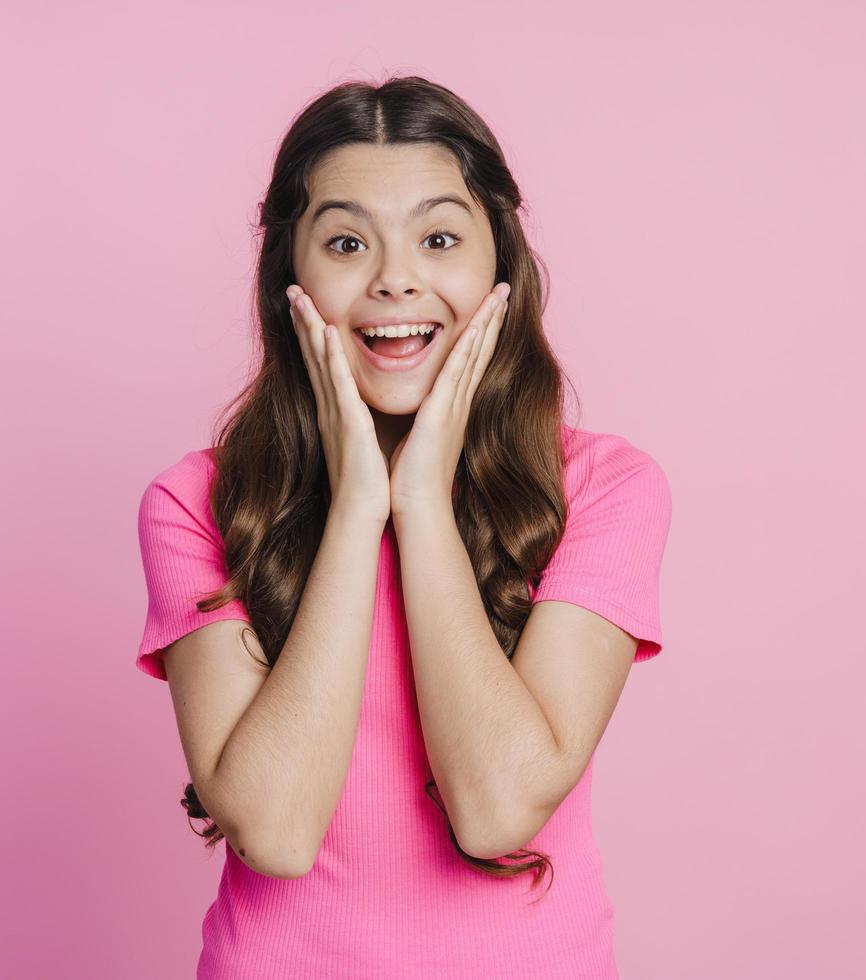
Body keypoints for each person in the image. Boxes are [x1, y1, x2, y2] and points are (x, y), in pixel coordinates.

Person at [134, 74, 673, 979]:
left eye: (438, 238)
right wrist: (356, 508)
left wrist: (422, 501)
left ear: (498, 265)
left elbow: (499, 808)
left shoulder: (606, 488)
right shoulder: (195, 503)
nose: (394, 279)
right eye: (347, 241)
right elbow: (273, 829)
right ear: (289, 278)